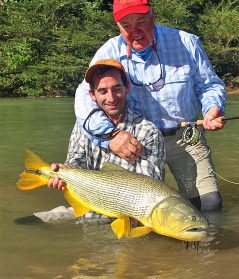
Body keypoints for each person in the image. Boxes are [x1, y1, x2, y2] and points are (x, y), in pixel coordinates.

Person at [74, 0, 226, 212]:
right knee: (141, 211)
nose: (135, 31)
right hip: (135, 142)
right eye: (127, 26)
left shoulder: (187, 42)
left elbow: (210, 85)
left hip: (186, 137)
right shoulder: (109, 51)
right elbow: (84, 97)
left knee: (209, 205)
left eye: (141, 22)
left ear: (153, 16)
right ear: (118, 27)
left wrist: (212, 108)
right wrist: (110, 136)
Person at [44, 58, 166, 223]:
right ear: (92, 95)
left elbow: (150, 187)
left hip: (129, 219)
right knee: (29, 223)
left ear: (127, 88)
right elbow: (75, 161)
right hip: (87, 211)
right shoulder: (83, 126)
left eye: (117, 88)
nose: (111, 97)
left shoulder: (149, 132)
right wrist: (64, 171)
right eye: (102, 91)